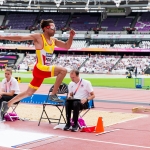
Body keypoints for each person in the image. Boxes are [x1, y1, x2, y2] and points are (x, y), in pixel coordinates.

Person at [0, 19, 75, 121]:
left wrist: (71, 37)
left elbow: (67, 46)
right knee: (63, 70)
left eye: (55, 27)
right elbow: (21, 38)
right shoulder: (39, 37)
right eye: (52, 27)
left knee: (28, 93)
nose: (54, 29)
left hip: (42, 71)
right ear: (45, 28)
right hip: (40, 68)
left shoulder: (54, 40)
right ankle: (53, 94)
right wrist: (3, 36)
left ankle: (7, 104)